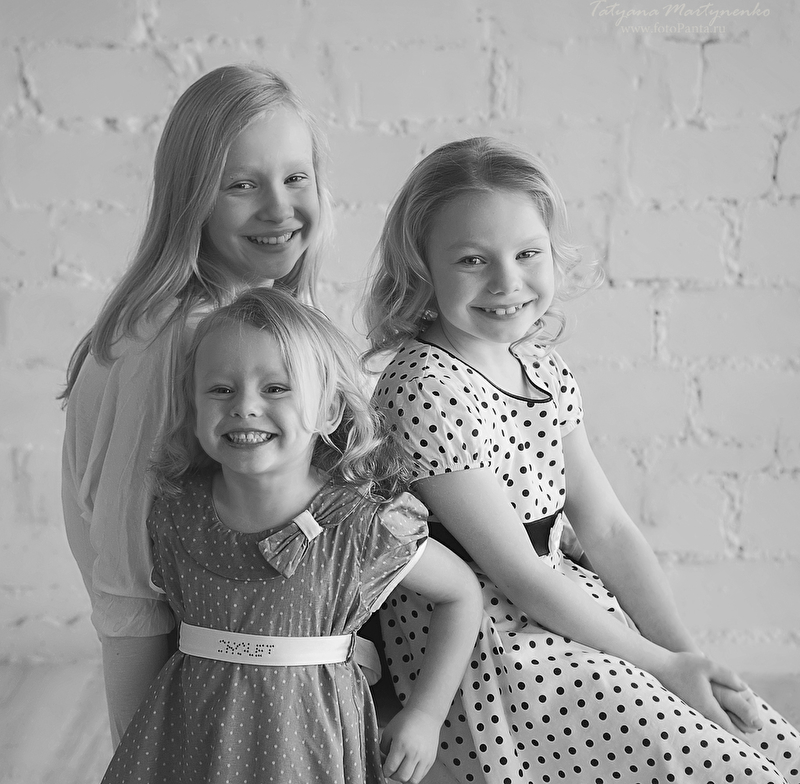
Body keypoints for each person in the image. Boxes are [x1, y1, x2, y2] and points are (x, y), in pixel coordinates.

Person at [363, 136, 800, 783]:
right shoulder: (425, 387)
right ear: (422, 267)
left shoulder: (541, 367)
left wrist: (686, 659)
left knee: (765, 742)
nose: (507, 282)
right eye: (472, 260)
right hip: (489, 645)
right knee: (721, 768)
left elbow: (608, 528)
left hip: (566, 608)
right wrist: (658, 666)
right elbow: (518, 575)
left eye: (527, 254)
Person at [99, 287, 483, 784]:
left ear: (329, 410)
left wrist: (426, 715)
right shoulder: (174, 510)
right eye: (221, 390)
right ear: (192, 406)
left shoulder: (361, 526)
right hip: (193, 739)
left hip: (309, 739)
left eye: (276, 388)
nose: (245, 407)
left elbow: (460, 594)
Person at [60, 63, 334, 745]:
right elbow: (127, 578)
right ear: (192, 200)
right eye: (241, 184)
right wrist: (139, 751)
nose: (279, 209)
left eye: (295, 178)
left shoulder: (243, 320)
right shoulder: (179, 340)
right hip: (203, 678)